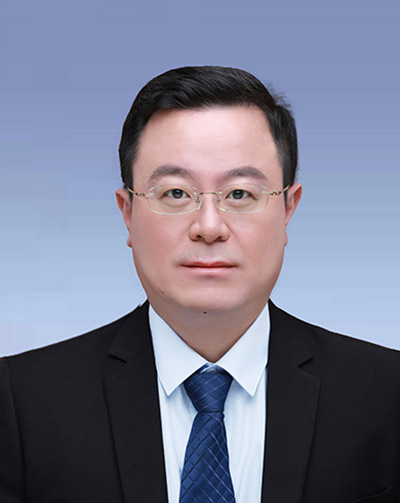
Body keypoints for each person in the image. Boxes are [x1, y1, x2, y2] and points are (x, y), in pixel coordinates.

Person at [1, 66, 399, 503]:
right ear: (127, 212)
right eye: (175, 194)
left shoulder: (386, 394)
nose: (209, 227)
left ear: (288, 208)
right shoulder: (21, 402)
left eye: (240, 194)